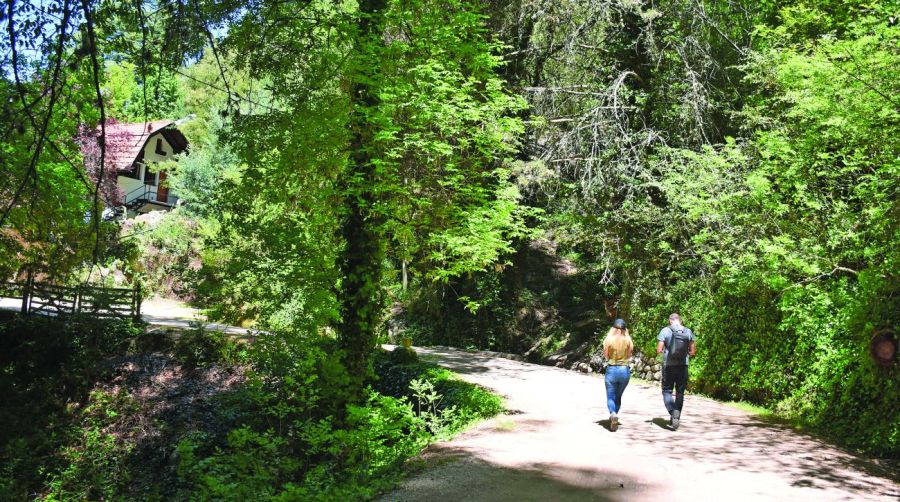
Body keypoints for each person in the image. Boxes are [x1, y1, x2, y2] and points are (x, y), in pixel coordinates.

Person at [657, 313, 695, 430]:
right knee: (680, 392)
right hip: (683, 365)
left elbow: (659, 349)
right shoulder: (688, 331)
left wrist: (666, 352)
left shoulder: (665, 330)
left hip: (669, 366)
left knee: (667, 390)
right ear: (680, 320)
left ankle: (673, 412)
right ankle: (677, 414)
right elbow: (692, 351)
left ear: (670, 321)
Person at [603, 318, 633, 431]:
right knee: (618, 396)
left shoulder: (608, 339)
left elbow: (606, 356)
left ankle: (613, 413)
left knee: (611, 396)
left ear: (613, 328)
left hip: (612, 369)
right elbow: (629, 356)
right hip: (624, 370)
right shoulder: (628, 340)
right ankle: (614, 415)